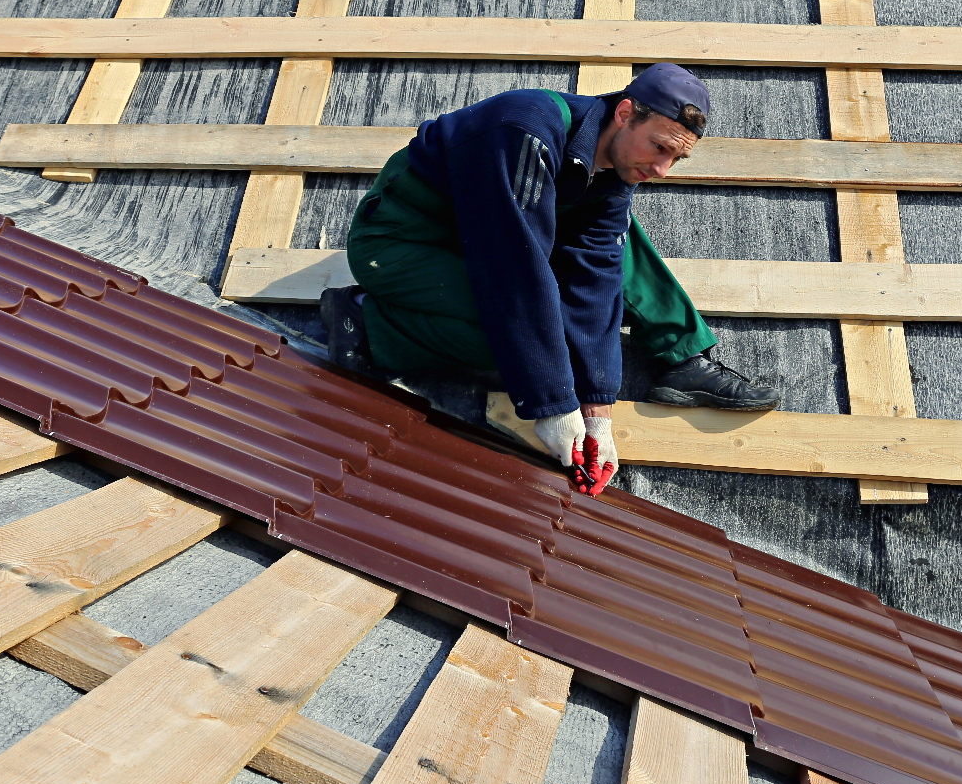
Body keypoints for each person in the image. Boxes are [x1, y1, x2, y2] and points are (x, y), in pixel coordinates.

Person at [318, 63, 780, 495]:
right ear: (624, 114)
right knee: (514, 340)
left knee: (616, 237)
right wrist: (554, 405)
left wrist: (598, 407)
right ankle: (366, 324)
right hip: (401, 244)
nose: (661, 170)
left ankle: (681, 356)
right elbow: (515, 278)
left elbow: (596, 274)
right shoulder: (524, 131)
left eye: (675, 159)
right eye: (659, 147)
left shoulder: (612, 161)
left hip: (476, 235)